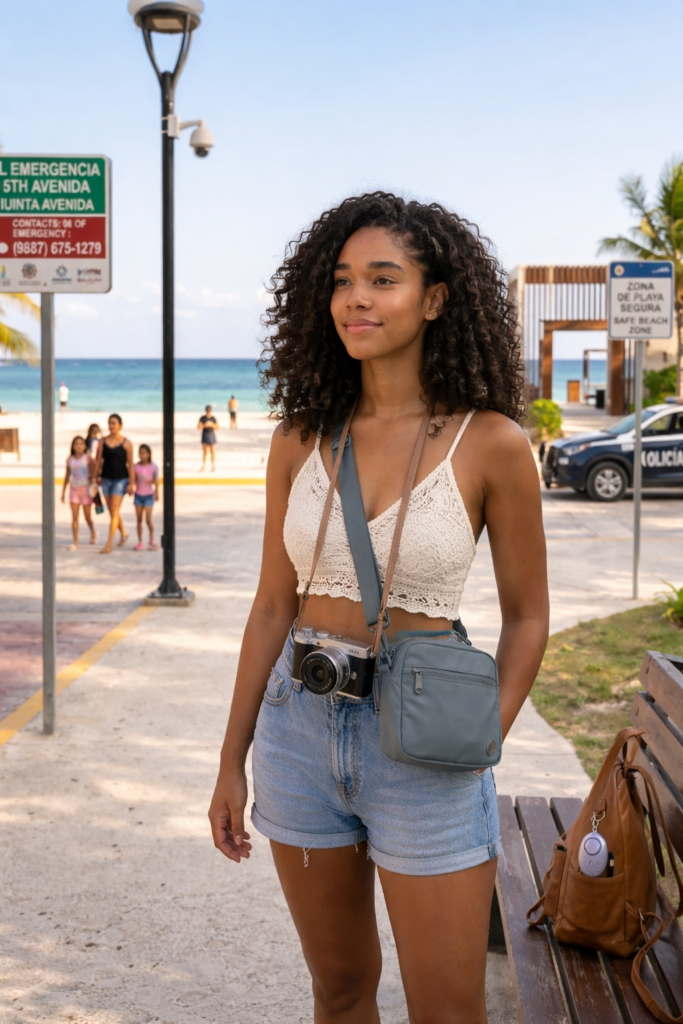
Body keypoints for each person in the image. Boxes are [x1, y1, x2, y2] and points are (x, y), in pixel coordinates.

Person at [208, 193, 549, 1022]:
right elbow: (270, 606)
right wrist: (231, 757)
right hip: (298, 732)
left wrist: (478, 739)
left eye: (382, 279)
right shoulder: (300, 437)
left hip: (426, 742)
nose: (355, 298)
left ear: (434, 298)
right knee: (339, 990)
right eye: (341, 280)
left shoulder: (492, 442)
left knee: (446, 1009)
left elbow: (528, 616)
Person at [94, 414, 134, 555]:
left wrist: (132, 483)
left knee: (115, 510)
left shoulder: (126, 443)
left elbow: (130, 464)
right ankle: (123, 532)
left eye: (114, 423)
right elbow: (98, 460)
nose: (111, 426)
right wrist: (95, 477)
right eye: (110, 423)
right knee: (112, 511)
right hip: (106, 479)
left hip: (121, 480)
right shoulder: (103, 442)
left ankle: (109, 544)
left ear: (120, 425)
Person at [61, 435, 97, 550]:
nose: (79, 446)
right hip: (74, 490)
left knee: (87, 516)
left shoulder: (88, 458)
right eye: (76, 443)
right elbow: (67, 476)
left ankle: (93, 532)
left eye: (81, 443)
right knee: (74, 517)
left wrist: (94, 492)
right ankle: (75, 541)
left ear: (85, 446)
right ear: (73, 446)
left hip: (86, 490)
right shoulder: (70, 459)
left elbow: (93, 476)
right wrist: (63, 492)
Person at [133, 444, 160, 551]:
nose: (141, 455)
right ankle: (140, 541)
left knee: (148, 519)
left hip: (149, 495)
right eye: (140, 453)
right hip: (138, 495)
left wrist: (157, 492)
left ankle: (151, 540)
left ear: (148, 454)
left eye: (143, 453)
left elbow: (156, 481)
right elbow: (133, 479)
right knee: (139, 520)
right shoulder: (136, 467)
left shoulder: (153, 466)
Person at [197, 404, 219, 471]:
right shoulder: (202, 418)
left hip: (211, 434)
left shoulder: (213, 418)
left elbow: (217, 427)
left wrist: (211, 424)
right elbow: (199, 427)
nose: (208, 412)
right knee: (205, 451)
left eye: (209, 411)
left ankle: (213, 465)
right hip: (205, 434)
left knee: (212, 450)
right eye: (208, 411)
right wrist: (204, 425)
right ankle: (203, 465)